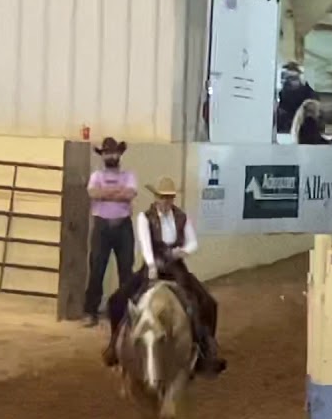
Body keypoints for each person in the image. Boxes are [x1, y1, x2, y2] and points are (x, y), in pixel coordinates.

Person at [101, 176, 226, 377]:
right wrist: (151, 265)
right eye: (162, 197)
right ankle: (115, 346)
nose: (166, 201)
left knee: (207, 302)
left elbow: (193, 242)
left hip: (176, 266)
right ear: (156, 197)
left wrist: (182, 251)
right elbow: (145, 244)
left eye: (169, 198)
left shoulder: (181, 217)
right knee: (117, 301)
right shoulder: (145, 217)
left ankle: (205, 350)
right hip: (153, 265)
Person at [82, 137, 138, 326]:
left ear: (119, 154)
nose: (111, 155)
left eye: (113, 152)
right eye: (107, 152)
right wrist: (118, 194)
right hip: (102, 226)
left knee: (126, 270)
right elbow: (93, 193)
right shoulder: (97, 175)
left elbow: (129, 194)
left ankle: (125, 312)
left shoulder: (128, 175)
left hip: (122, 226)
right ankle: (90, 311)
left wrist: (105, 194)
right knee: (96, 269)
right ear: (103, 155)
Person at [276, 62, 317, 136]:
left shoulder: (308, 92)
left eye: (294, 78)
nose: (291, 82)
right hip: (285, 128)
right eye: (288, 78)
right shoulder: (284, 91)